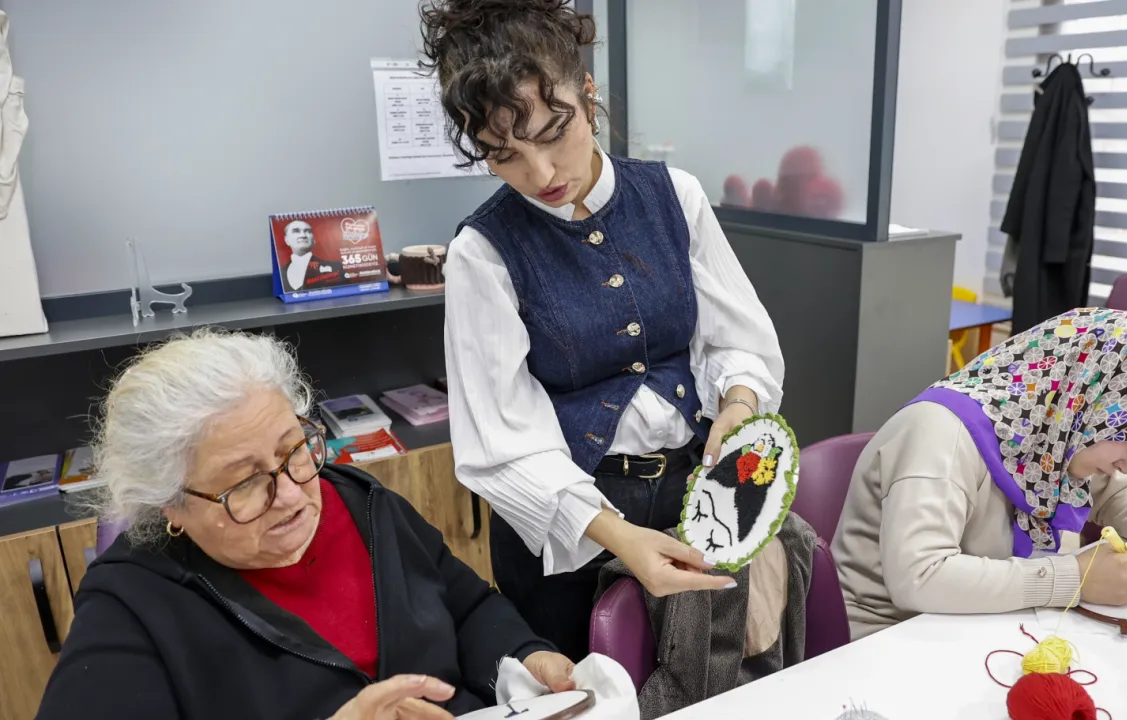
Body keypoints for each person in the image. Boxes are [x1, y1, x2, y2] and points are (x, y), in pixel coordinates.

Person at [421, 0, 784, 660]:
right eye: (503, 154)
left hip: (692, 494)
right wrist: (616, 534)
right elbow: (502, 442)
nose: (540, 174)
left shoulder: (675, 196)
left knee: (706, 676)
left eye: (552, 132)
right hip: (569, 528)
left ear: (587, 94)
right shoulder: (484, 252)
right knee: (585, 686)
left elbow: (737, 337)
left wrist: (738, 403)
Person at [36, 329, 575, 720]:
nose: (292, 495)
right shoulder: (131, 604)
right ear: (170, 505)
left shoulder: (363, 504)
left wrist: (525, 657)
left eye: (293, 449)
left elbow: (470, 608)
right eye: (245, 483)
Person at [833, 308, 1127, 641]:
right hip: (890, 636)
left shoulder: (1056, 425)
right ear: (1090, 398)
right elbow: (920, 577)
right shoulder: (940, 433)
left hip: (983, 623)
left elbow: (1115, 489)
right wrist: (1074, 579)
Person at [281, 219, 345, 292]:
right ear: (286, 240)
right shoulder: (280, 272)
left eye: (308, 231)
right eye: (296, 231)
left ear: (314, 240)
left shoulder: (335, 267)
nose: (303, 235)